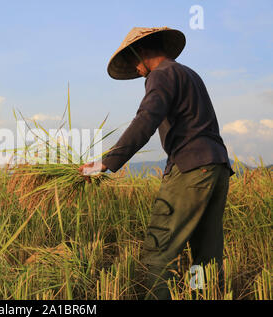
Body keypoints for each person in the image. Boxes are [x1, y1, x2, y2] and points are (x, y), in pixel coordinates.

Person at [78, 27, 235, 300]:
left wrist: (106, 162)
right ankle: (205, 295)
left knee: (158, 249)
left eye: (131, 61)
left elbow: (146, 120)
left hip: (190, 169)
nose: (134, 69)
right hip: (217, 167)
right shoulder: (189, 74)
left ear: (142, 51)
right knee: (205, 254)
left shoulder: (161, 75)